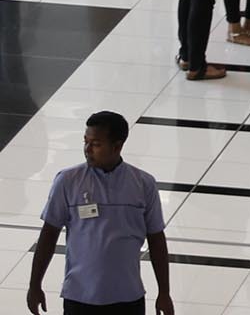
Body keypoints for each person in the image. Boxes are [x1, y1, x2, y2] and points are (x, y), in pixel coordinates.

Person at [28, 112, 173, 315]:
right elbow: (48, 235)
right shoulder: (67, 181)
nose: (87, 149)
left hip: (128, 298)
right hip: (79, 297)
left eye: (96, 144)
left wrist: (164, 292)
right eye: (85, 142)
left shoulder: (143, 184)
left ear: (117, 146)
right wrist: (35, 285)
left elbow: (157, 239)